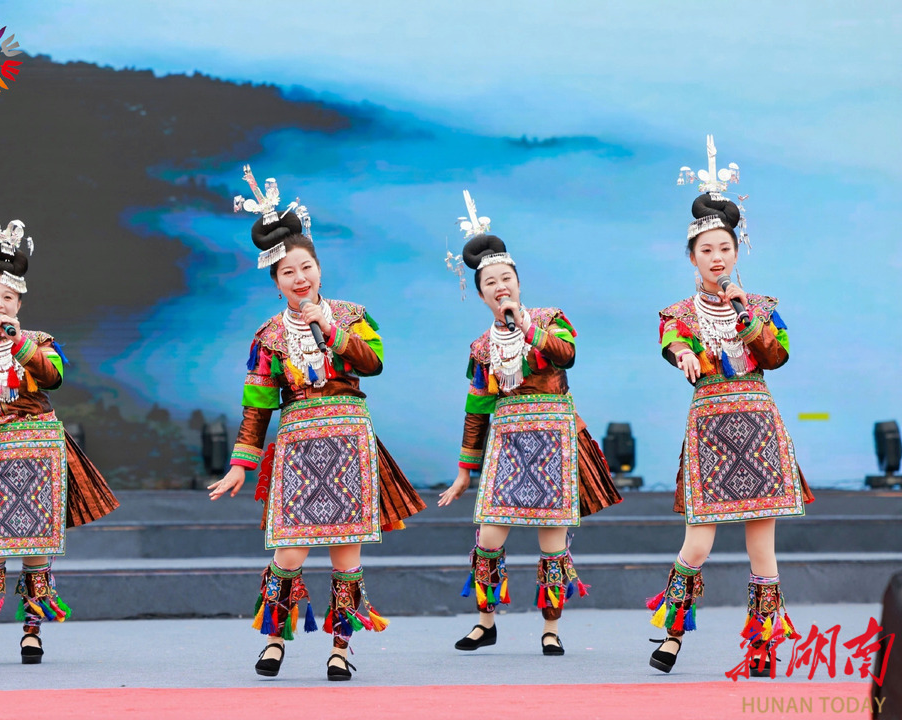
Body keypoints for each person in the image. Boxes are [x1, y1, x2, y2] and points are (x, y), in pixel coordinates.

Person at [207, 167, 425, 681]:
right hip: (299, 447)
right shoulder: (268, 336)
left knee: (346, 554)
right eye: (288, 272)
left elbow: (373, 362)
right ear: (276, 282)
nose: (299, 277)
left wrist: (330, 328)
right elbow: (258, 405)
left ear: (319, 269)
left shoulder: (352, 315)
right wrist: (241, 463)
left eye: (306, 267)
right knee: (289, 551)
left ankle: (341, 648)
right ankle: (275, 640)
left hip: (349, 441)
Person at [647, 137, 813, 675]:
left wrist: (748, 315)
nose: (717, 258)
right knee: (697, 545)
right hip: (711, 432)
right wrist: (683, 355)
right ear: (692, 257)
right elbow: (674, 345)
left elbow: (777, 356)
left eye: (724, 248)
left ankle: (763, 645)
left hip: (759, 427)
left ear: (736, 253)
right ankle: (673, 634)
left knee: (762, 550)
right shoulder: (677, 314)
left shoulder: (761, 306)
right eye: (706, 250)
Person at [438, 191, 622, 655]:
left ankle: (551, 629)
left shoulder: (549, 320)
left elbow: (567, 355)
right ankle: (485, 623)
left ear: (519, 283)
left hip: (553, 440)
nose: (500, 286)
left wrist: (527, 328)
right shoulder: (481, 348)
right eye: (491, 282)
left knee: (552, 543)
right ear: (480, 293)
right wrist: (464, 471)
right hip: (507, 445)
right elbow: (477, 410)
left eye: (507, 278)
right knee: (488, 537)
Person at [0, 220, 119, 666]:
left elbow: (53, 377)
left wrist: (18, 342)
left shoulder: (39, 342)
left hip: (41, 453)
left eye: (8, 297)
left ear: (19, 304)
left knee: (36, 548)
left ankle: (32, 630)